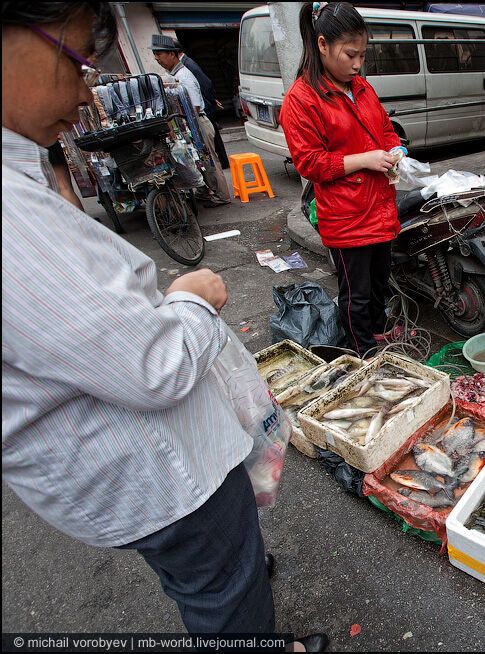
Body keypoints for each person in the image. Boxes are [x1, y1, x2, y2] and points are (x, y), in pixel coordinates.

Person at [2, 4, 325, 650]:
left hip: (142, 482)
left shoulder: (22, 175)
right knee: (225, 601)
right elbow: (153, 366)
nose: (88, 88)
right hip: (166, 486)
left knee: (221, 577)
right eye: (75, 60)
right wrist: (191, 297)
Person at [279, 2, 406, 357]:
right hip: (346, 217)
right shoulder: (301, 100)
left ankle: (379, 337)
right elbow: (310, 163)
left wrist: (397, 151)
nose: (357, 64)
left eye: (362, 55)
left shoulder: (361, 87)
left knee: (380, 283)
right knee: (356, 293)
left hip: (380, 207)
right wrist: (364, 159)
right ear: (322, 45)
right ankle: (362, 353)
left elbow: (384, 129)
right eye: (351, 54)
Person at [151, 34, 231, 208]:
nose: (157, 58)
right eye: (155, 54)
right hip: (192, 123)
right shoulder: (174, 75)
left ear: (172, 54)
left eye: (159, 53)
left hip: (199, 122)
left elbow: (194, 106)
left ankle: (221, 195)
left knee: (210, 160)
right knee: (200, 160)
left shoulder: (184, 75)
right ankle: (205, 191)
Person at [173, 37, 231, 170]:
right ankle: (222, 162)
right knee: (213, 141)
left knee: (213, 141)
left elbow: (205, 83)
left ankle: (222, 163)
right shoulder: (183, 66)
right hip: (204, 104)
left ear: (174, 53)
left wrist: (211, 100)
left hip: (204, 107)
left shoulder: (187, 65)